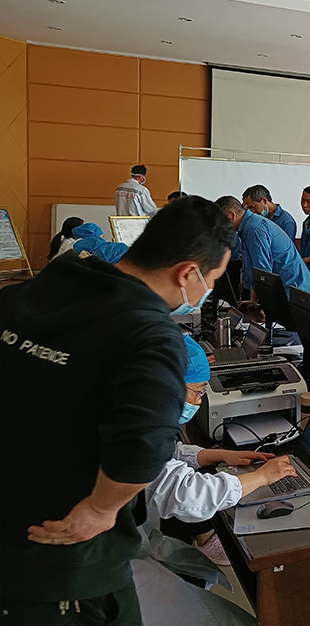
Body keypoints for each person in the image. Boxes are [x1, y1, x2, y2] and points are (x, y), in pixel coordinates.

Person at [0, 196, 234, 625]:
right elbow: (143, 446)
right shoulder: (149, 335)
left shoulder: (40, 289)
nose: (209, 292)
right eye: (213, 280)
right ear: (187, 273)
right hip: (63, 561)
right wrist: (100, 510)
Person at [147, 335, 296, 565]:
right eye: (198, 391)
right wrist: (261, 477)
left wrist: (220, 455)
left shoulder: (142, 419)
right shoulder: (136, 434)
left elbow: (168, 454)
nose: (199, 401)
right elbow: (189, 496)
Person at [215, 195, 310, 299]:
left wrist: (259, 302)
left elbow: (263, 271)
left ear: (231, 215)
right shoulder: (249, 225)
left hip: (296, 292)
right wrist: (252, 297)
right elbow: (253, 267)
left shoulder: (253, 227)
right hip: (288, 290)